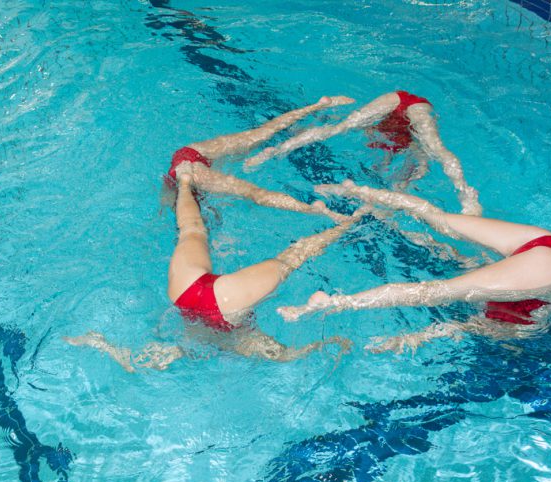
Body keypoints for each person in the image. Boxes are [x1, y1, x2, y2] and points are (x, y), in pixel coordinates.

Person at [65, 97, 364, 367]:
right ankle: (352, 221)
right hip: (189, 296)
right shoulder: (200, 162)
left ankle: (118, 349)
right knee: (289, 256)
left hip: (193, 301)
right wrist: (313, 209)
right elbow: (256, 188)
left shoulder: (235, 334)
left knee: (198, 236)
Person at [277, 180, 551, 353]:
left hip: (542, 244)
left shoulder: (515, 311)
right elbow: (455, 325)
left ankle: (357, 190)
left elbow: (463, 319)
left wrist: (409, 339)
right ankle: (337, 302)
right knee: (431, 292)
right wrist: (409, 339)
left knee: (436, 218)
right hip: (541, 270)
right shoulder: (518, 331)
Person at [244, 90, 482, 216]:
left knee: (424, 162)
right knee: (342, 127)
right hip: (405, 102)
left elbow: (409, 179)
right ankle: (467, 195)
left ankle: (465, 193)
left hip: (407, 127)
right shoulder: (391, 139)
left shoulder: (407, 149)